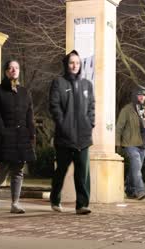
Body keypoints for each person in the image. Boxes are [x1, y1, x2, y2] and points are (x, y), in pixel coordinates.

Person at [49, 50, 95, 215]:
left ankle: (81, 205)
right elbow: (54, 107)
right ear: (66, 65)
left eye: (77, 63)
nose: (74, 66)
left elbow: (91, 107)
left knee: (83, 173)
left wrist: (90, 123)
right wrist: (62, 125)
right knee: (61, 171)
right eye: (71, 63)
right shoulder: (58, 83)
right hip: (64, 138)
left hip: (83, 138)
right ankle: (55, 198)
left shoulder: (87, 85)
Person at [0, 60, 36, 214]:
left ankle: (15, 203)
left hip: (22, 136)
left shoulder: (24, 92)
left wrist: (31, 132)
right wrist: (2, 131)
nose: (14, 70)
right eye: (10, 68)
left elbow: (30, 114)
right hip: (5, 135)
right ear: (6, 71)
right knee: (5, 167)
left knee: (18, 170)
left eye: (16, 67)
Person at [116, 86, 145, 200]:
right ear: (134, 96)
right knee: (137, 166)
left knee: (135, 167)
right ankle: (140, 191)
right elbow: (119, 126)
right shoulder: (127, 109)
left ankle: (129, 189)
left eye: (143, 95)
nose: (141, 97)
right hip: (130, 143)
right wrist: (117, 143)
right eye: (139, 95)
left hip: (143, 142)